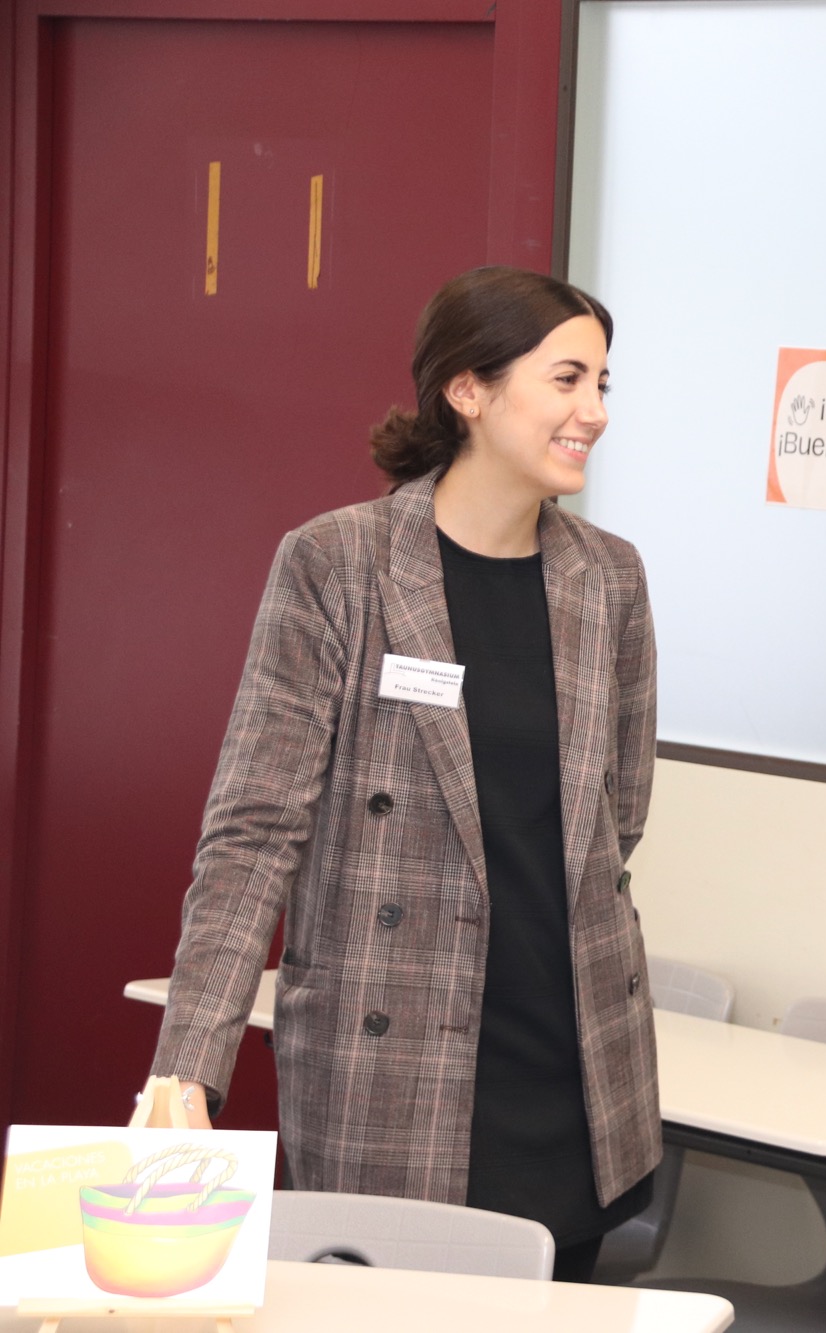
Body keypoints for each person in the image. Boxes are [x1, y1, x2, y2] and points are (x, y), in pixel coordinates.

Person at [145, 266, 661, 1282]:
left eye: (602, 384)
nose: (594, 412)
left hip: (574, 1071)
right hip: (391, 1062)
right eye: (566, 380)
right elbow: (254, 833)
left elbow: (620, 810)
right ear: (468, 389)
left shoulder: (610, 578)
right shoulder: (338, 564)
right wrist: (187, 1064)